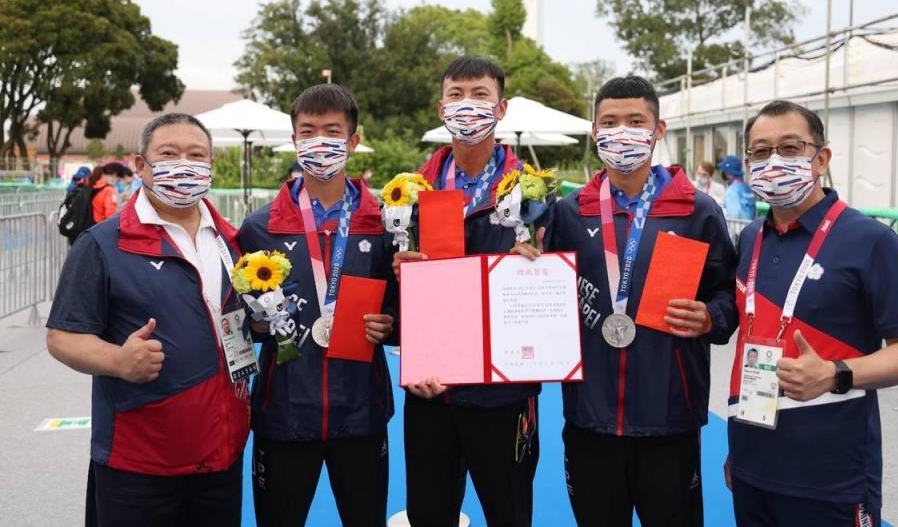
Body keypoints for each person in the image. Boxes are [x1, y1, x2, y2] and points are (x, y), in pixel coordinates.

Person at [726, 100, 898, 526]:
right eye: (761, 152)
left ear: (820, 158)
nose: (774, 161)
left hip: (831, 476)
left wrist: (836, 373)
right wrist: (739, 446)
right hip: (753, 466)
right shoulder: (751, 238)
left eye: (790, 147)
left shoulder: (871, 241)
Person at [544, 76, 737, 527]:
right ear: (594, 132)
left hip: (670, 418)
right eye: (610, 122)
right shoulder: (571, 213)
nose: (622, 132)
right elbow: (547, 297)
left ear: (658, 129)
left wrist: (711, 316)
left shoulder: (697, 210)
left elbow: (728, 293)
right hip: (589, 417)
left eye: (635, 121)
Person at [45, 113, 250, 527]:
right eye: (169, 154)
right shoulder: (103, 243)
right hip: (139, 463)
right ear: (142, 166)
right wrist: (117, 361)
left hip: (221, 457)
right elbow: (62, 336)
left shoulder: (231, 240)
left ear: (210, 166)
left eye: (196, 156)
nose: (184, 165)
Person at [237, 84, 397, 527]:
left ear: (353, 140)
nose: (319, 141)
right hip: (284, 415)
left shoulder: (384, 222)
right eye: (308, 131)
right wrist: (258, 327)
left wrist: (391, 325)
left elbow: (404, 310)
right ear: (294, 140)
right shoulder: (257, 229)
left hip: (361, 413)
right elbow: (238, 320)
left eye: (332, 130)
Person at [393, 55, 543, 527]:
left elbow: (557, 290)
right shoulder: (409, 194)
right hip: (431, 391)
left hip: (503, 392)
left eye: (480, 95)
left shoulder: (535, 195)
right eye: (456, 95)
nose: (467, 105)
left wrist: (539, 266)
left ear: (502, 108)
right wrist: (399, 274)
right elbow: (389, 295)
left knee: (509, 513)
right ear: (441, 108)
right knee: (430, 514)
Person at [717, 154, 756, 220]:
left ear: (727, 173)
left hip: (738, 228)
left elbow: (733, 217)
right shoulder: (747, 188)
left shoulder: (732, 191)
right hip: (751, 227)